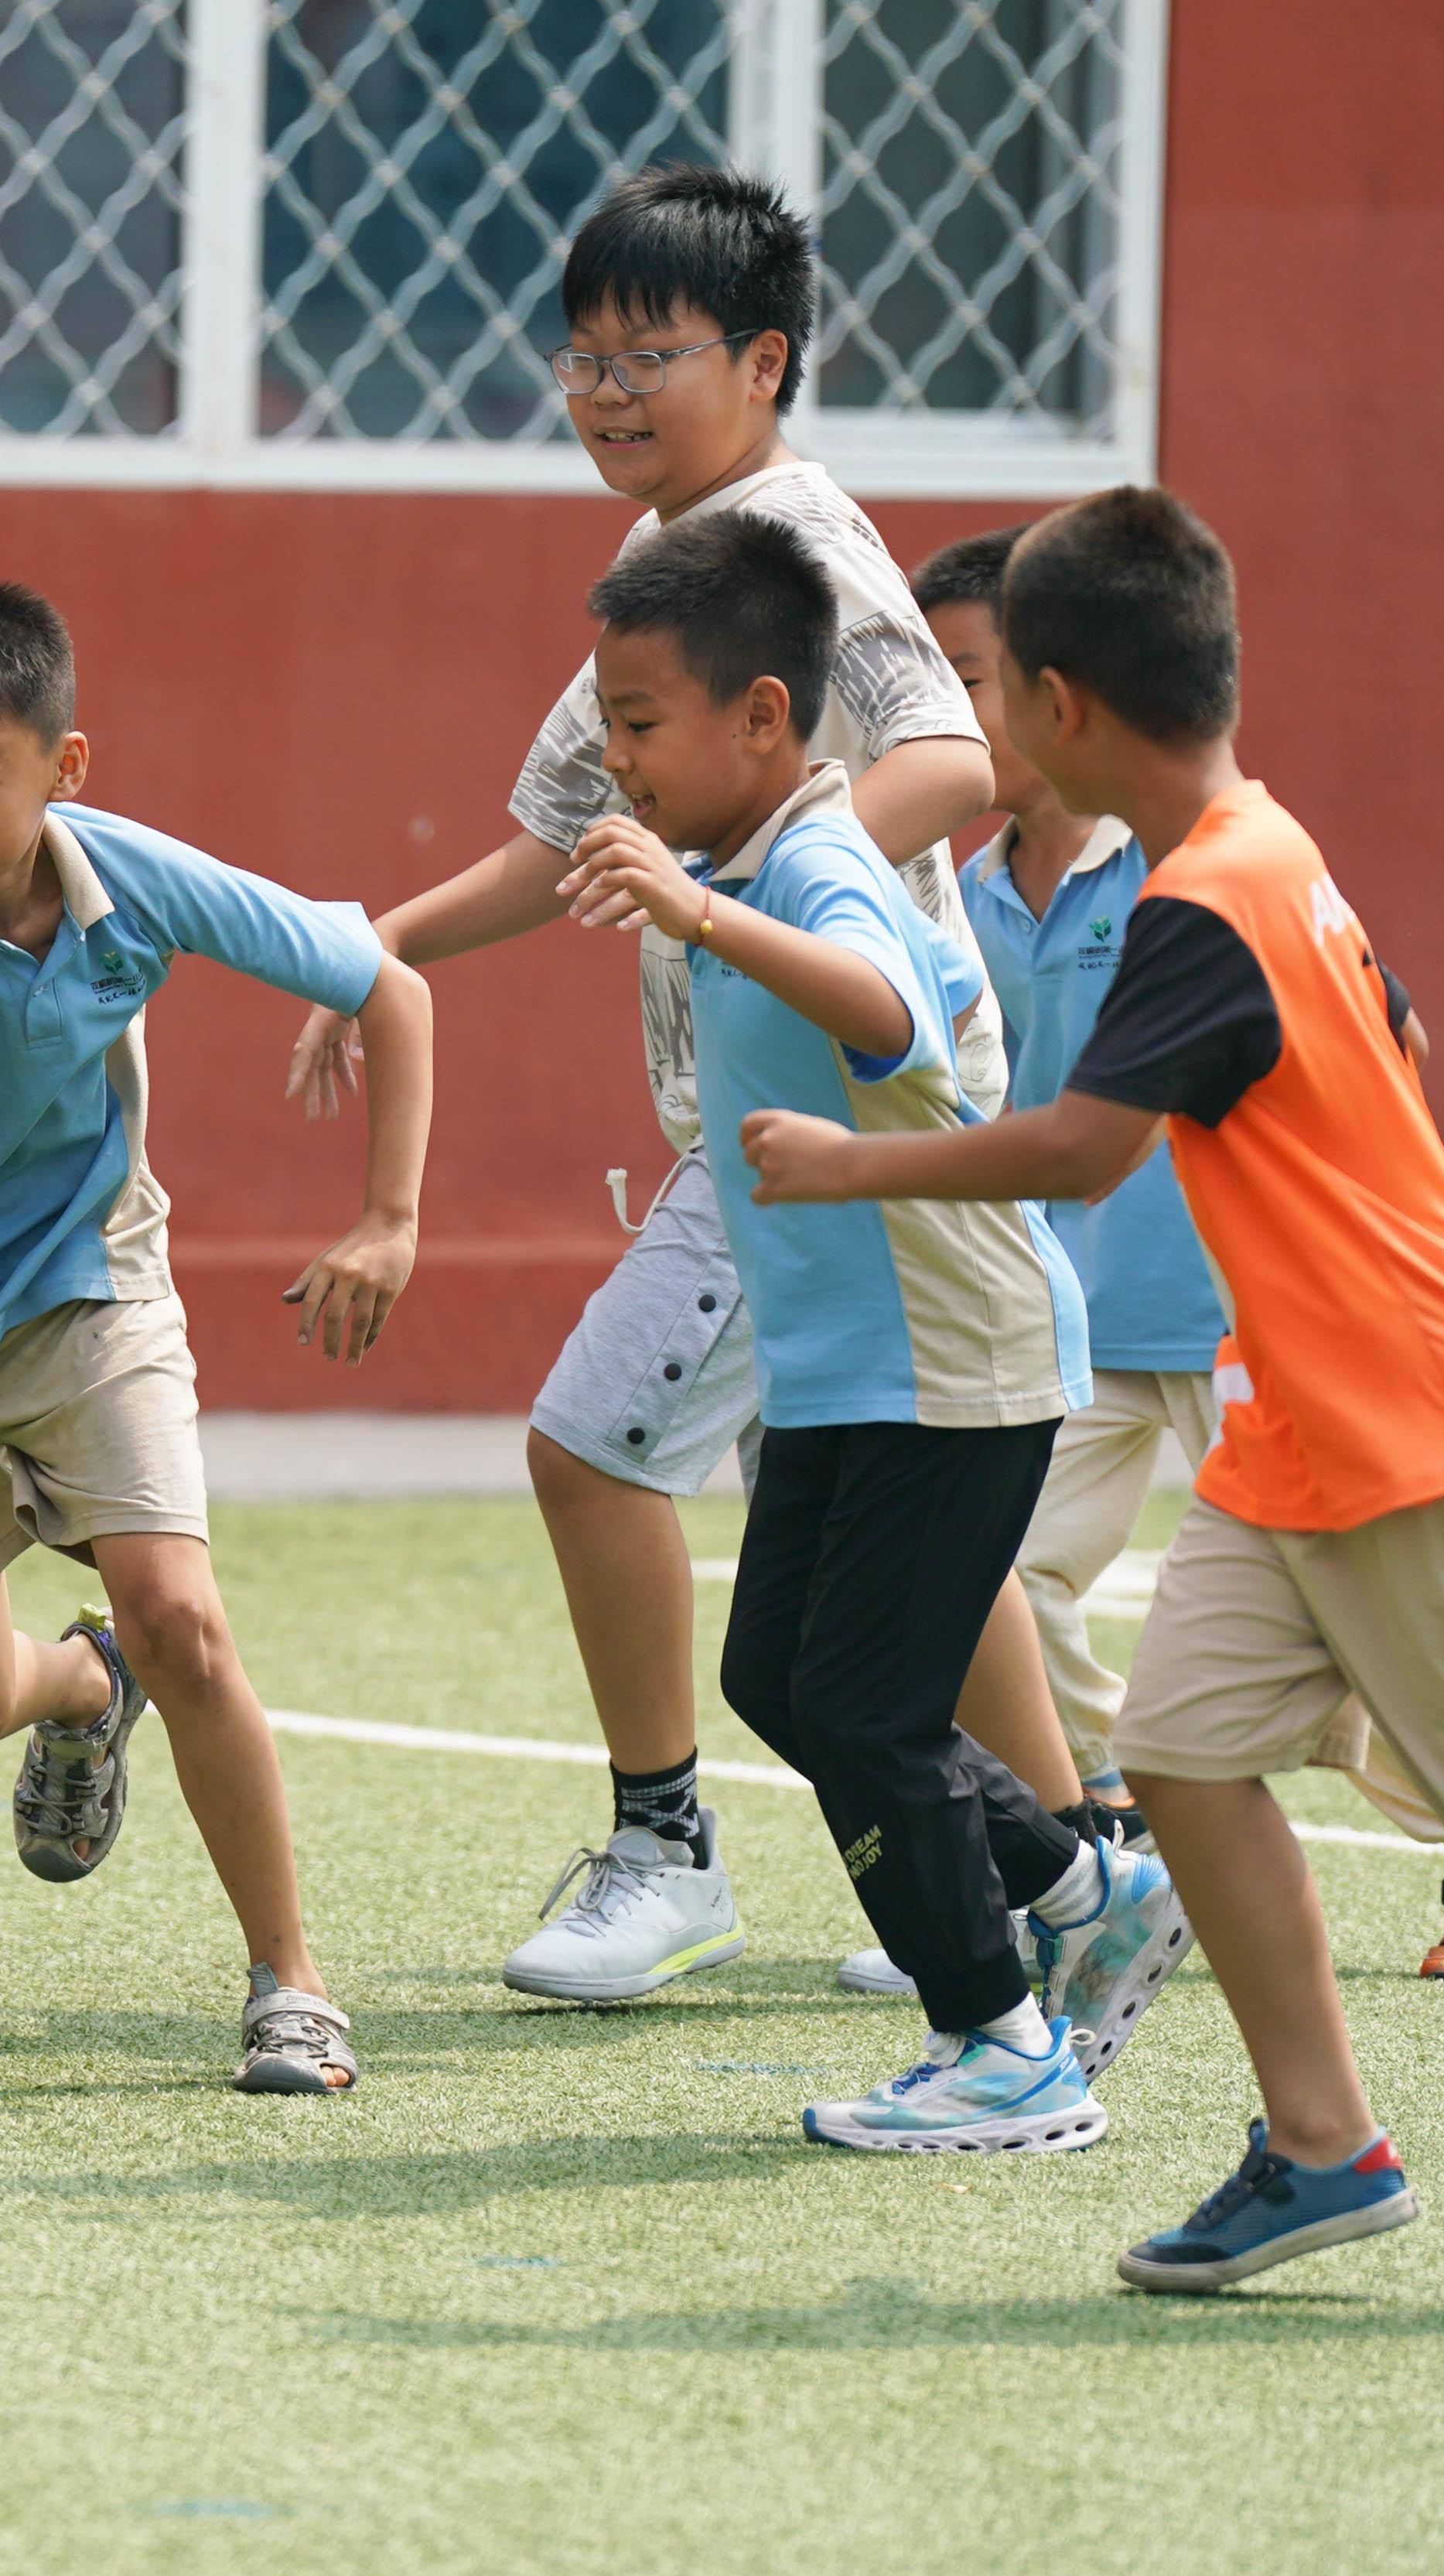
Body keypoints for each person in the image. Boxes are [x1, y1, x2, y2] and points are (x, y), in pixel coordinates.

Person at [738, 487, 1444, 2302]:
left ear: (1063, 704)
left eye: (994, 695)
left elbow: (1080, 1147)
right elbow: (1403, 1045)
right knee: (1186, 1748)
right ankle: (1323, 2146)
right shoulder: (1265, 846)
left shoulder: (1204, 899)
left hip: (1443, 1421)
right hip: (1299, 1425)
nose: (982, 727)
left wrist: (849, 1167)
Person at [279, 165, 1103, 2007]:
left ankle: (668, 1847)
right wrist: (374, 952)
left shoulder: (798, 535)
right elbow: (553, 847)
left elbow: (960, 758)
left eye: (652, 352)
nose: (607, 389)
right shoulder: (668, 584)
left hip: (815, 1128)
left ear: (765, 359)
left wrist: (741, 896)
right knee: (900, 1509)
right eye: (580, 356)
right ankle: (1065, 1860)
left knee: (585, 1448)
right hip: (815, 1130)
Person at [0, 577, 432, 2094]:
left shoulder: (132, 881)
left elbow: (392, 983)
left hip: (93, 1290)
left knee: (186, 1615)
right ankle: (79, 1686)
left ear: (67, 767)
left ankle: (290, 1984)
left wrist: (389, 1216)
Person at [563, 510, 1193, 2150]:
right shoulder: (742, 862)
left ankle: (1001, 2044)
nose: (615, 762)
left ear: (762, 719)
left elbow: (890, 1010)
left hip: (955, 1367)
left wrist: (699, 922)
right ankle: (1080, 1882)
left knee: (865, 1705)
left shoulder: (817, 860)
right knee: (778, 1669)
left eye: (637, 727)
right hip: (857, 1376)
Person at [913, 527, 1444, 1989]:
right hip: (1066, 1319)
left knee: (1356, 1618)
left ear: (1057, 695)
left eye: (971, 682)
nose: (947, 721)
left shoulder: (1191, 869)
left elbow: (1384, 1034)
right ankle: (1105, 1815)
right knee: (984, 1582)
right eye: (926, 687)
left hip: (1229, 1318)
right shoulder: (955, 893)